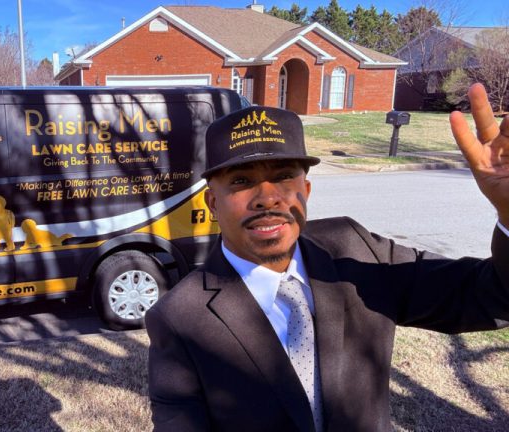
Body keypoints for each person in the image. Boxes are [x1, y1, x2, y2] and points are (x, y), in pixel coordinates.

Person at [145, 83, 509, 431]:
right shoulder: (180, 318)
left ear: (306, 189)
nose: (268, 198)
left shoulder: (354, 249)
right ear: (212, 202)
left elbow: (490, 297)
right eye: (241, 181)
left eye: (284, 176)